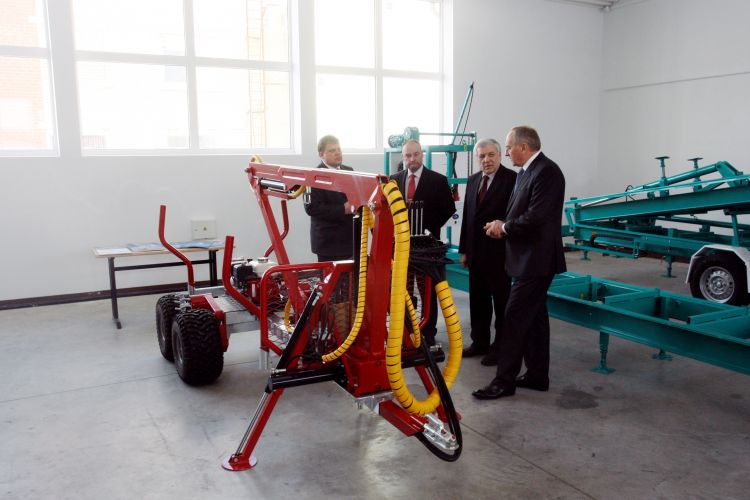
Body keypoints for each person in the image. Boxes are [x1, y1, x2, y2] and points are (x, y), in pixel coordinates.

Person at [472, 126, 566, 400]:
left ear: (524, 147)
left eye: (509, 147)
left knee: (514, 317)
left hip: (537, 260)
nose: (507, 153)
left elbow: (537, 215)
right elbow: (521, 211)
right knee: (535, 319)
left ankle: (503, 381)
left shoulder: (547, 172)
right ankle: (537, 375)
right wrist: (501, 224)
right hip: (526, 258)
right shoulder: (528, 172)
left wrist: (505, 228)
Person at [390, 139, 456, 345]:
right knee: (403, 291)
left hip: (427, 248)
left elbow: (449, 209)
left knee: (428, 291)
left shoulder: (438, 180)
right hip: (401, 247)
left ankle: (428, 333)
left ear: (422, 154)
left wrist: (427, 229)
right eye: (408, 156)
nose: (412, 159)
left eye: (416, 154)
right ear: (403, 157)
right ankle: (407, 331)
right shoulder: (394, 181)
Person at [458, 138, 516, 366]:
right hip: (475, 254)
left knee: (501, 303)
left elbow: (514, 218)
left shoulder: (512, 180)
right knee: (478, 301)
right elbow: (467, 218)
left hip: (500, 254)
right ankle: (479, 342)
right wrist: (464, 250)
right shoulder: (473, 180)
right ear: (477, 158)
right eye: (482, 156)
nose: (486, 160)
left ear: (500, 155)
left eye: (491, 155)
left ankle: (500, 347)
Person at [304, 135, 355, 262]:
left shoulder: (350, 171)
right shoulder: (312, 176)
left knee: (353, 275)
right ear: (321, 154)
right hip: (328, 242)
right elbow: (311, 208)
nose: (337, 153)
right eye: (332, 150)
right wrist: (343, 209)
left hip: (350, 240)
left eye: (339, 149)